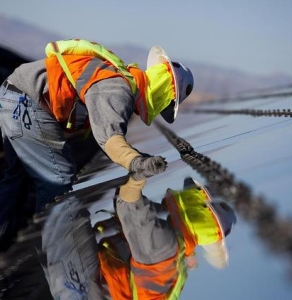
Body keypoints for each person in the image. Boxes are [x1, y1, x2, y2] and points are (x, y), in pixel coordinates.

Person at [0, 39, 194, 251]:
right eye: (166, 104)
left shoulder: (121, 81)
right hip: (26, 99)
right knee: (58, 178)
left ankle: (6, 241)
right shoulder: (118, 88)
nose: (161, 110)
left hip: (16, 92)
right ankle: (57, 250)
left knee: (16, 180)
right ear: (163, 91)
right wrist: (137, 161)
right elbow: (110, 139)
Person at [41, 176, 236, 299]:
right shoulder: (175, 250)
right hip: (90, 286)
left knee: (63, 202)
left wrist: (138, 174)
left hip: (86, 290)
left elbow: (128, 204)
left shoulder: (164, 244)